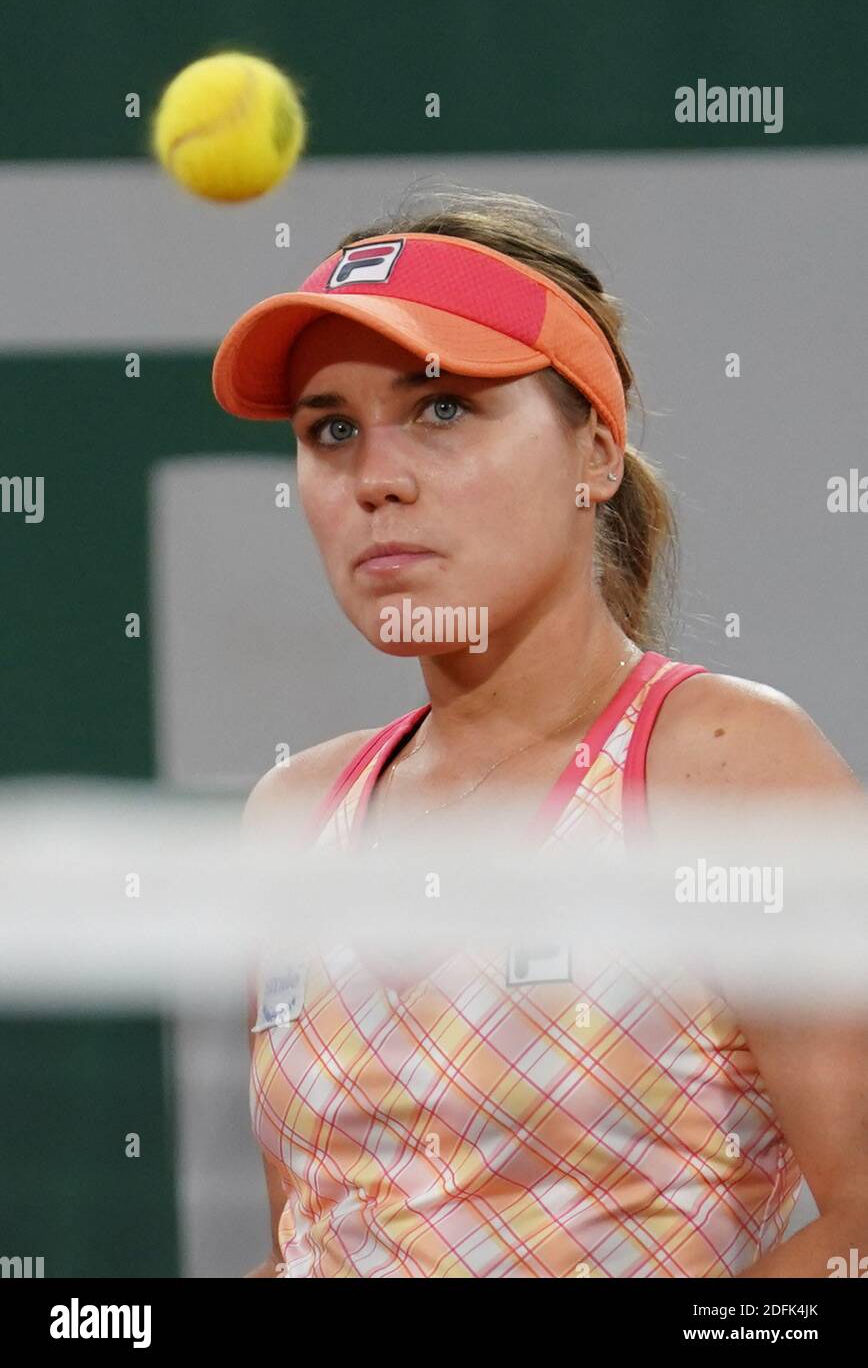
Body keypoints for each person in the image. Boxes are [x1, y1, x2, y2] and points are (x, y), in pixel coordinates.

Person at [212, 188, 868, 1278]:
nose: (375, 478)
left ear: (594, 456)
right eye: (330, 428)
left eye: (444, 409)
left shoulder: (725, 766)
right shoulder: (289, 819)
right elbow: (310, 1241)